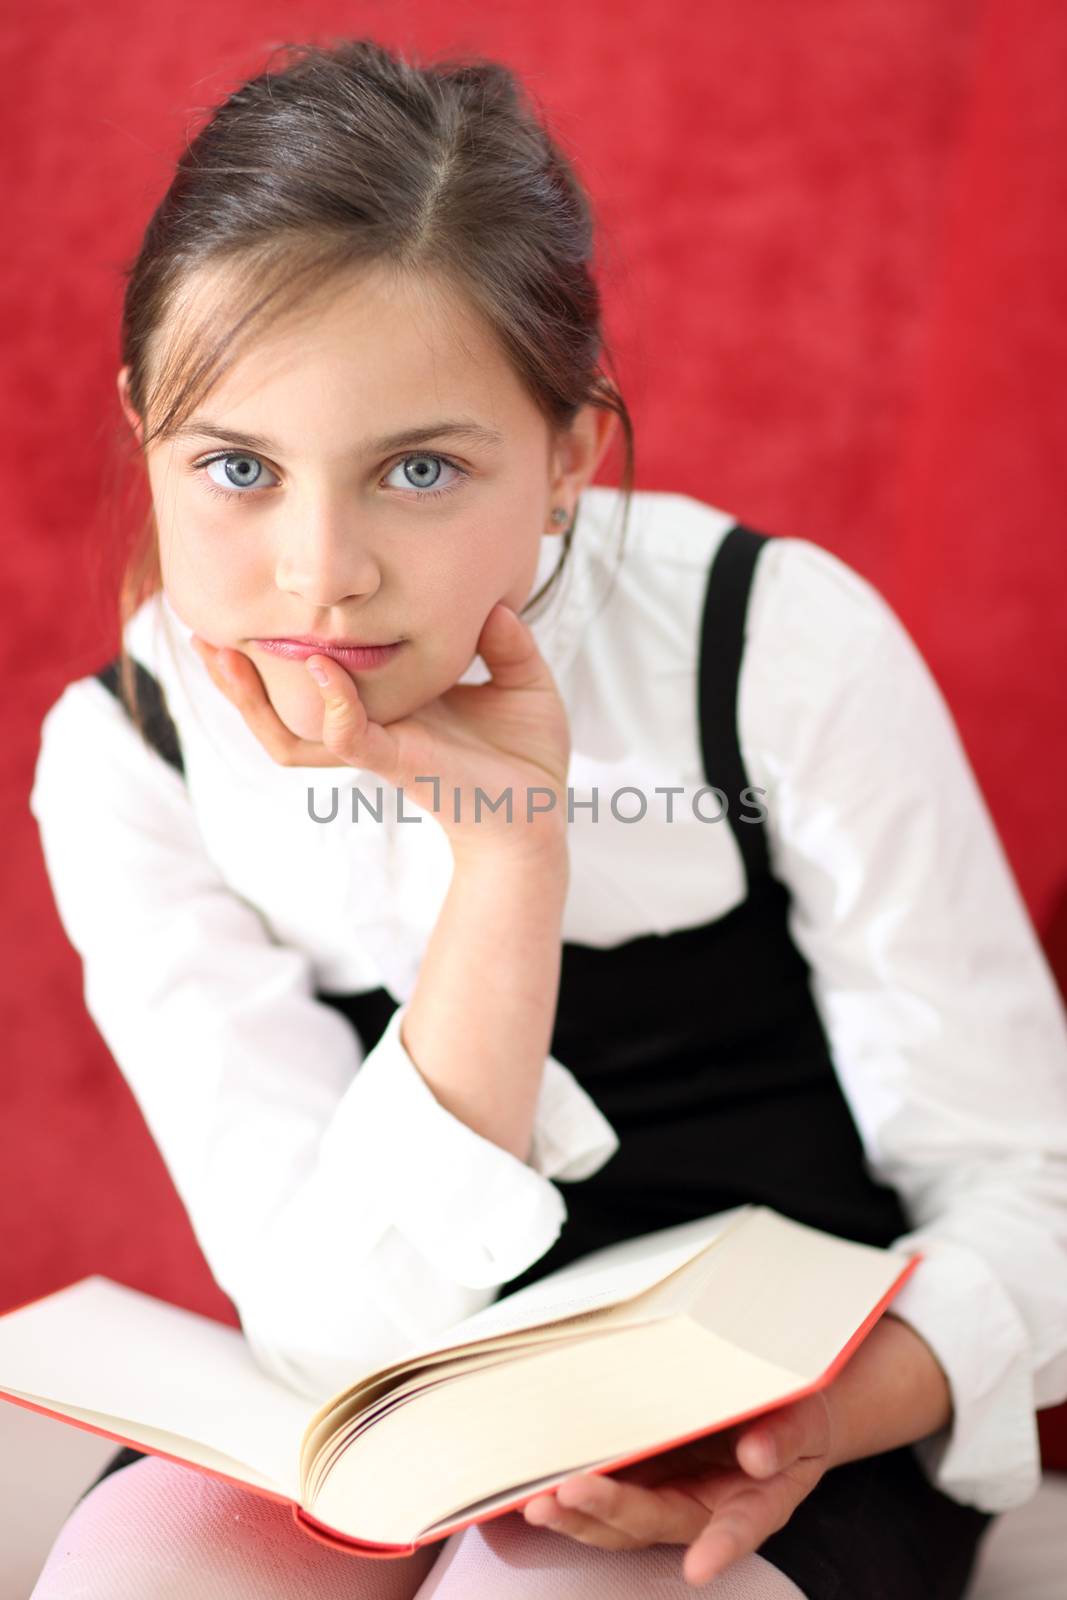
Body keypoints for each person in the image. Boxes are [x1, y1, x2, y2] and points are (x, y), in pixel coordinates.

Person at [25, 33, 1067, 1600]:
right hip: (385, 1380)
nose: (323, 573)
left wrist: (814, 1426)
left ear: (571, 451)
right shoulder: (122, 755)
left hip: (787, 1407)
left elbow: (1029, 1179)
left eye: (421, 469)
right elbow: (336, 1329)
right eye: (237, 465)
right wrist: (507, 862)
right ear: (142, 431)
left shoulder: (772, 645)